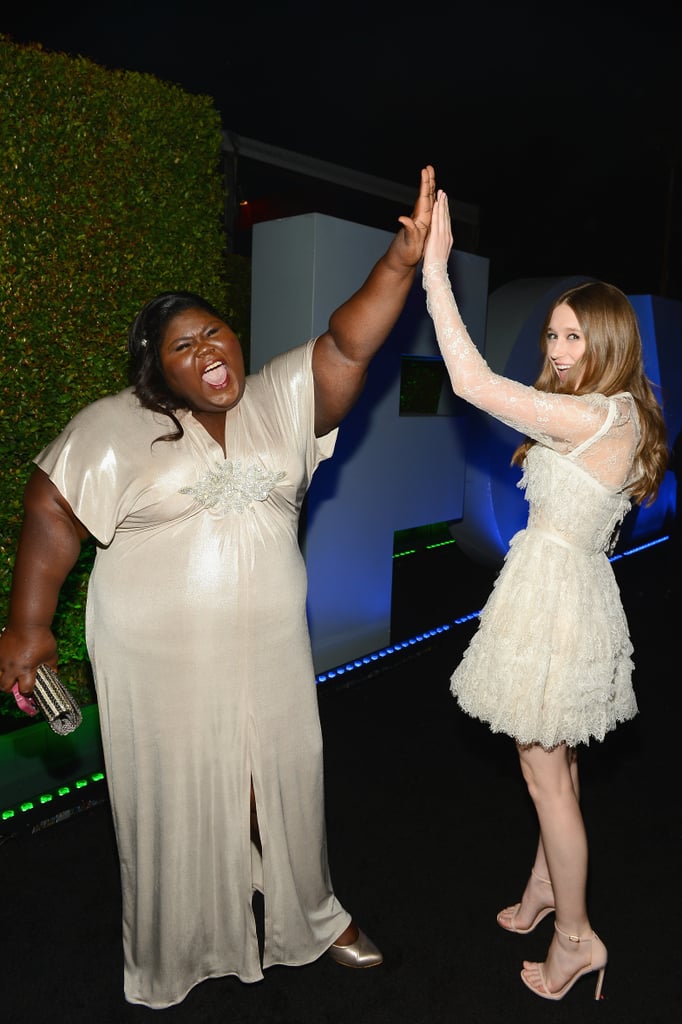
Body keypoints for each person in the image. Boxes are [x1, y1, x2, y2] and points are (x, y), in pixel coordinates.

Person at [0, 165, 436, 1009]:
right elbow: (52, 506)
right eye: (183, 346)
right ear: (156, 371)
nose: (209, 352)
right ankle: (177, 945)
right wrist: (29, 625)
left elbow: (350, 343)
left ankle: (313, 913)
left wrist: (400, 264)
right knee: (177, 785)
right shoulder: (115, 426)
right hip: (156, 655)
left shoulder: (279, 399)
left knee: (284, 770)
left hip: (269, 646)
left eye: (215, 333)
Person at [422, 190, 668, 1001]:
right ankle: (542, 892)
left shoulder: (598, 415)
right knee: (553, 765)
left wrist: (434, 265)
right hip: (569, 591)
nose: (559, 349)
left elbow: (468, 380)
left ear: (607, 341)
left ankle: (577, 939)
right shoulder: (621, 412)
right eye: (554, 334)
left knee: (546, 779)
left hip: (557, 599)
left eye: (573, 335)